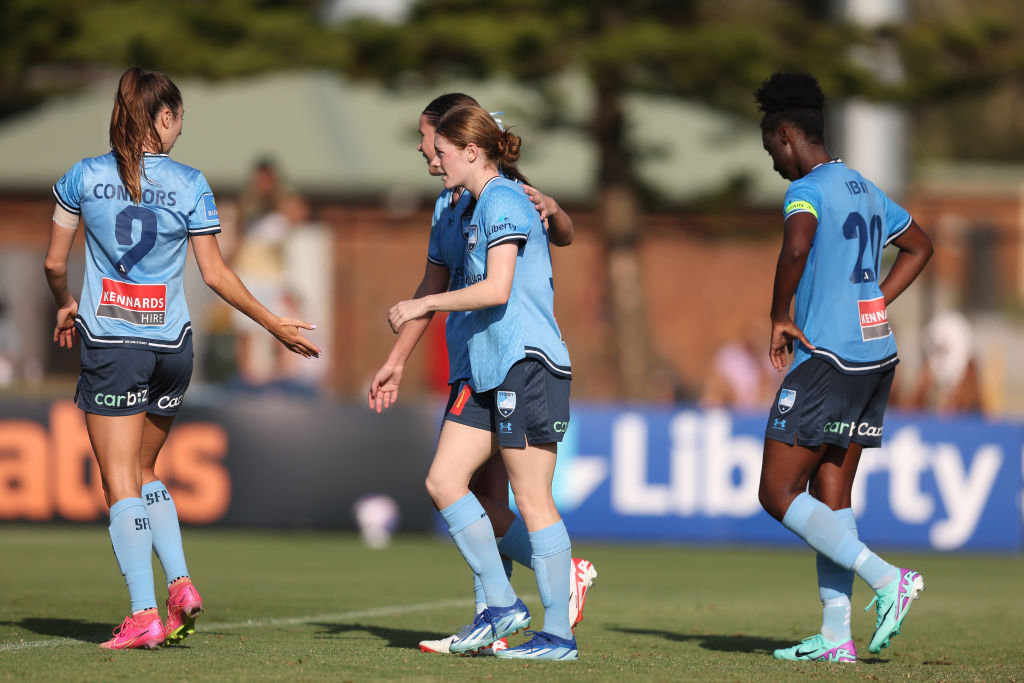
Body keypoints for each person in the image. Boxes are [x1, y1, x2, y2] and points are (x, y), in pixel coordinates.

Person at [44, 66, 321, 650]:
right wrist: (273, 323)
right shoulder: (192, 183)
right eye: (178, 118)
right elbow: (215, 274)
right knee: (145, 473)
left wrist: (66, 303)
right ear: (161, 118)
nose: (181, 129)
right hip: (173, 351)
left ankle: (144, 612)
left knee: (119, 481)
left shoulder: (82, 178)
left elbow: (51, 264)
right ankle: (181, 585)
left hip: (115, 349)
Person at [368, 94, 595, 656]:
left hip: (524, 362)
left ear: (470, 150)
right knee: (444, 481)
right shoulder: (456, 205)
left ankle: (557, 635)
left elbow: (497, 288)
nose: (432, 157)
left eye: (438, 147)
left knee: (531, 497)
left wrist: (424, 306)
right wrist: (397, 357)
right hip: (483, 365)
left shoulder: (504, 201)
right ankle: (500, 604)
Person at [754, 72, 933, 663]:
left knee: (777, 493)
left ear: (786, 135)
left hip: (827, 357)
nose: (775, 166)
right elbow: (920, 246)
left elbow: (797, 245)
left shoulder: (807, 190)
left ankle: (887, 579)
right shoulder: (862, 185)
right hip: (875, 355)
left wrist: (780, 313)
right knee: (832, 495)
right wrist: (874, 302)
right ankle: (836, 638)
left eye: (771, 151)